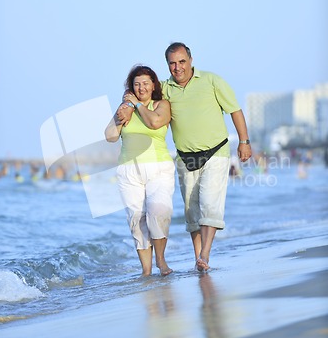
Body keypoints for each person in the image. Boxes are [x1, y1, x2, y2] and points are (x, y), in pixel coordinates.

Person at [118, 43, 252, 272]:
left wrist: (244, 141)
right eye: (172, 63)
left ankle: (205, 255)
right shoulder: (166, 88)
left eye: (181, 61)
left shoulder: (211, 81)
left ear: (190, 60)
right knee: (192, 212)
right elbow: (144, 94)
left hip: (216, 151)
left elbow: (234, 110)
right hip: (185, 156)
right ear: (167, 65)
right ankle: (197, 257)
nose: (177, 67)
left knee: (210, 204)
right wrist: (129, 100)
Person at [105, 65, 175, 277]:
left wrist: (135, 104)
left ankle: (161, 261)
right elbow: (110, 136)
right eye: (136, 84)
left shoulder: (161, 105)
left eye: (145, 83)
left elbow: (154, 122)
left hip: (159, 168)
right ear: (131, 87)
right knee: (137, 221)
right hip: (128, 170)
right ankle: (146, 270)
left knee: (158, 213)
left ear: (153, 85)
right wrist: (121, 114)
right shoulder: (125, 107)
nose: (141, 87)